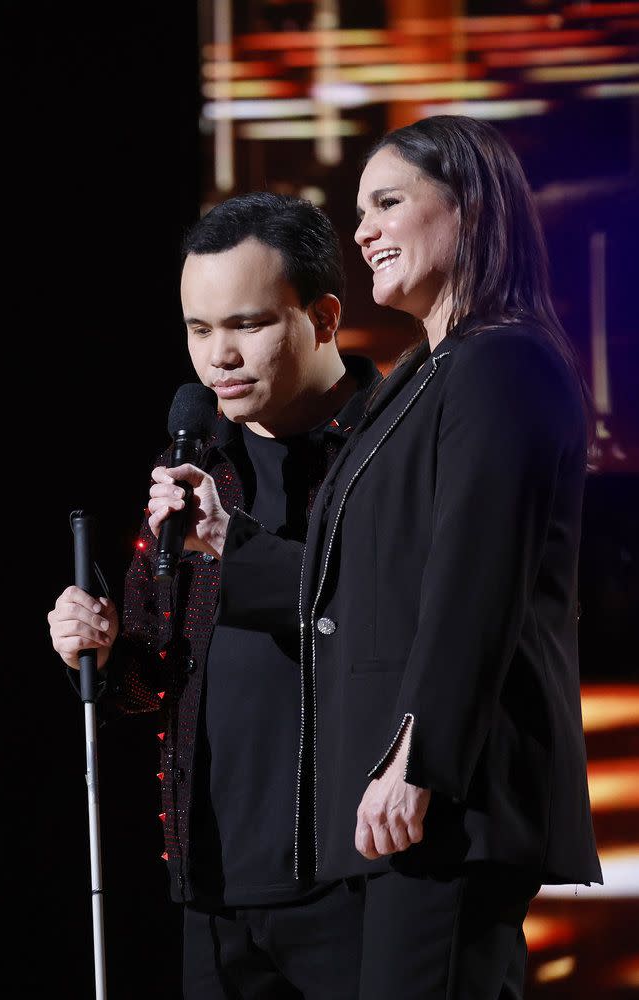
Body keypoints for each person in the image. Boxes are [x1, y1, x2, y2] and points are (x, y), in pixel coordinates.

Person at [206, 117, 604, 998]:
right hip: (409, 805)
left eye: (388, 202)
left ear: (469, 208)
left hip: (448, 799)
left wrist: (416, 758)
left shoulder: (500, 365)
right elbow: (362, 581)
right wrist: (221, 552)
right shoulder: (424, 377)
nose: (362, 232)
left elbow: (476, 580)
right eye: (359, 211)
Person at [47, 192, 382, 1000]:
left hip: (360, 882)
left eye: (246, 324)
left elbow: (393, 624)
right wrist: (95, 649)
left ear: (324, 317)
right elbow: (147, 684)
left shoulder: (388, 449)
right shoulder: (196, 462)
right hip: (215, 887)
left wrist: (244, 549)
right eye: (199, 330)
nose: (218, 357)